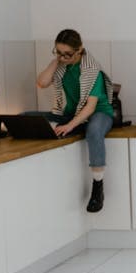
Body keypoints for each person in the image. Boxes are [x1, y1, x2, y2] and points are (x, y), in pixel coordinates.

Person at [32, 29, 115, 213]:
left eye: (67, 54)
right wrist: (56, 61)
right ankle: (76, 127)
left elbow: (90, 107)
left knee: (93, 130)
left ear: (80, 50)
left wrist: (69, 125)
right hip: (70, 114)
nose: (63, 58)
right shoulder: (62, 65)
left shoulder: (93, 71)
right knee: (27, 117)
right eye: (58, 52)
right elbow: (42, 83)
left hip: (99, 113)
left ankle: (98, 186)